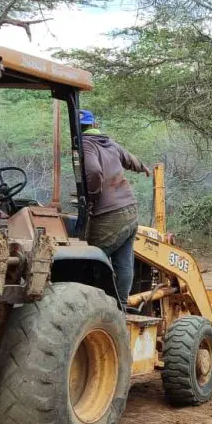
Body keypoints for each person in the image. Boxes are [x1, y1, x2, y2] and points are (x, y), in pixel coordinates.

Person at [80, 110, 151, 307]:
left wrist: (93, 197)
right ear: (94, 124)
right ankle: (120, 307)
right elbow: (129, 159)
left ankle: (92, 307)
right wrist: (144, 167)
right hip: (130, 209)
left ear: (78, 129)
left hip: (109, 215)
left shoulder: (86, 144)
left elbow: (94, 172)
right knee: (124, 262)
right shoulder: (108, 142)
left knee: (87, 260)